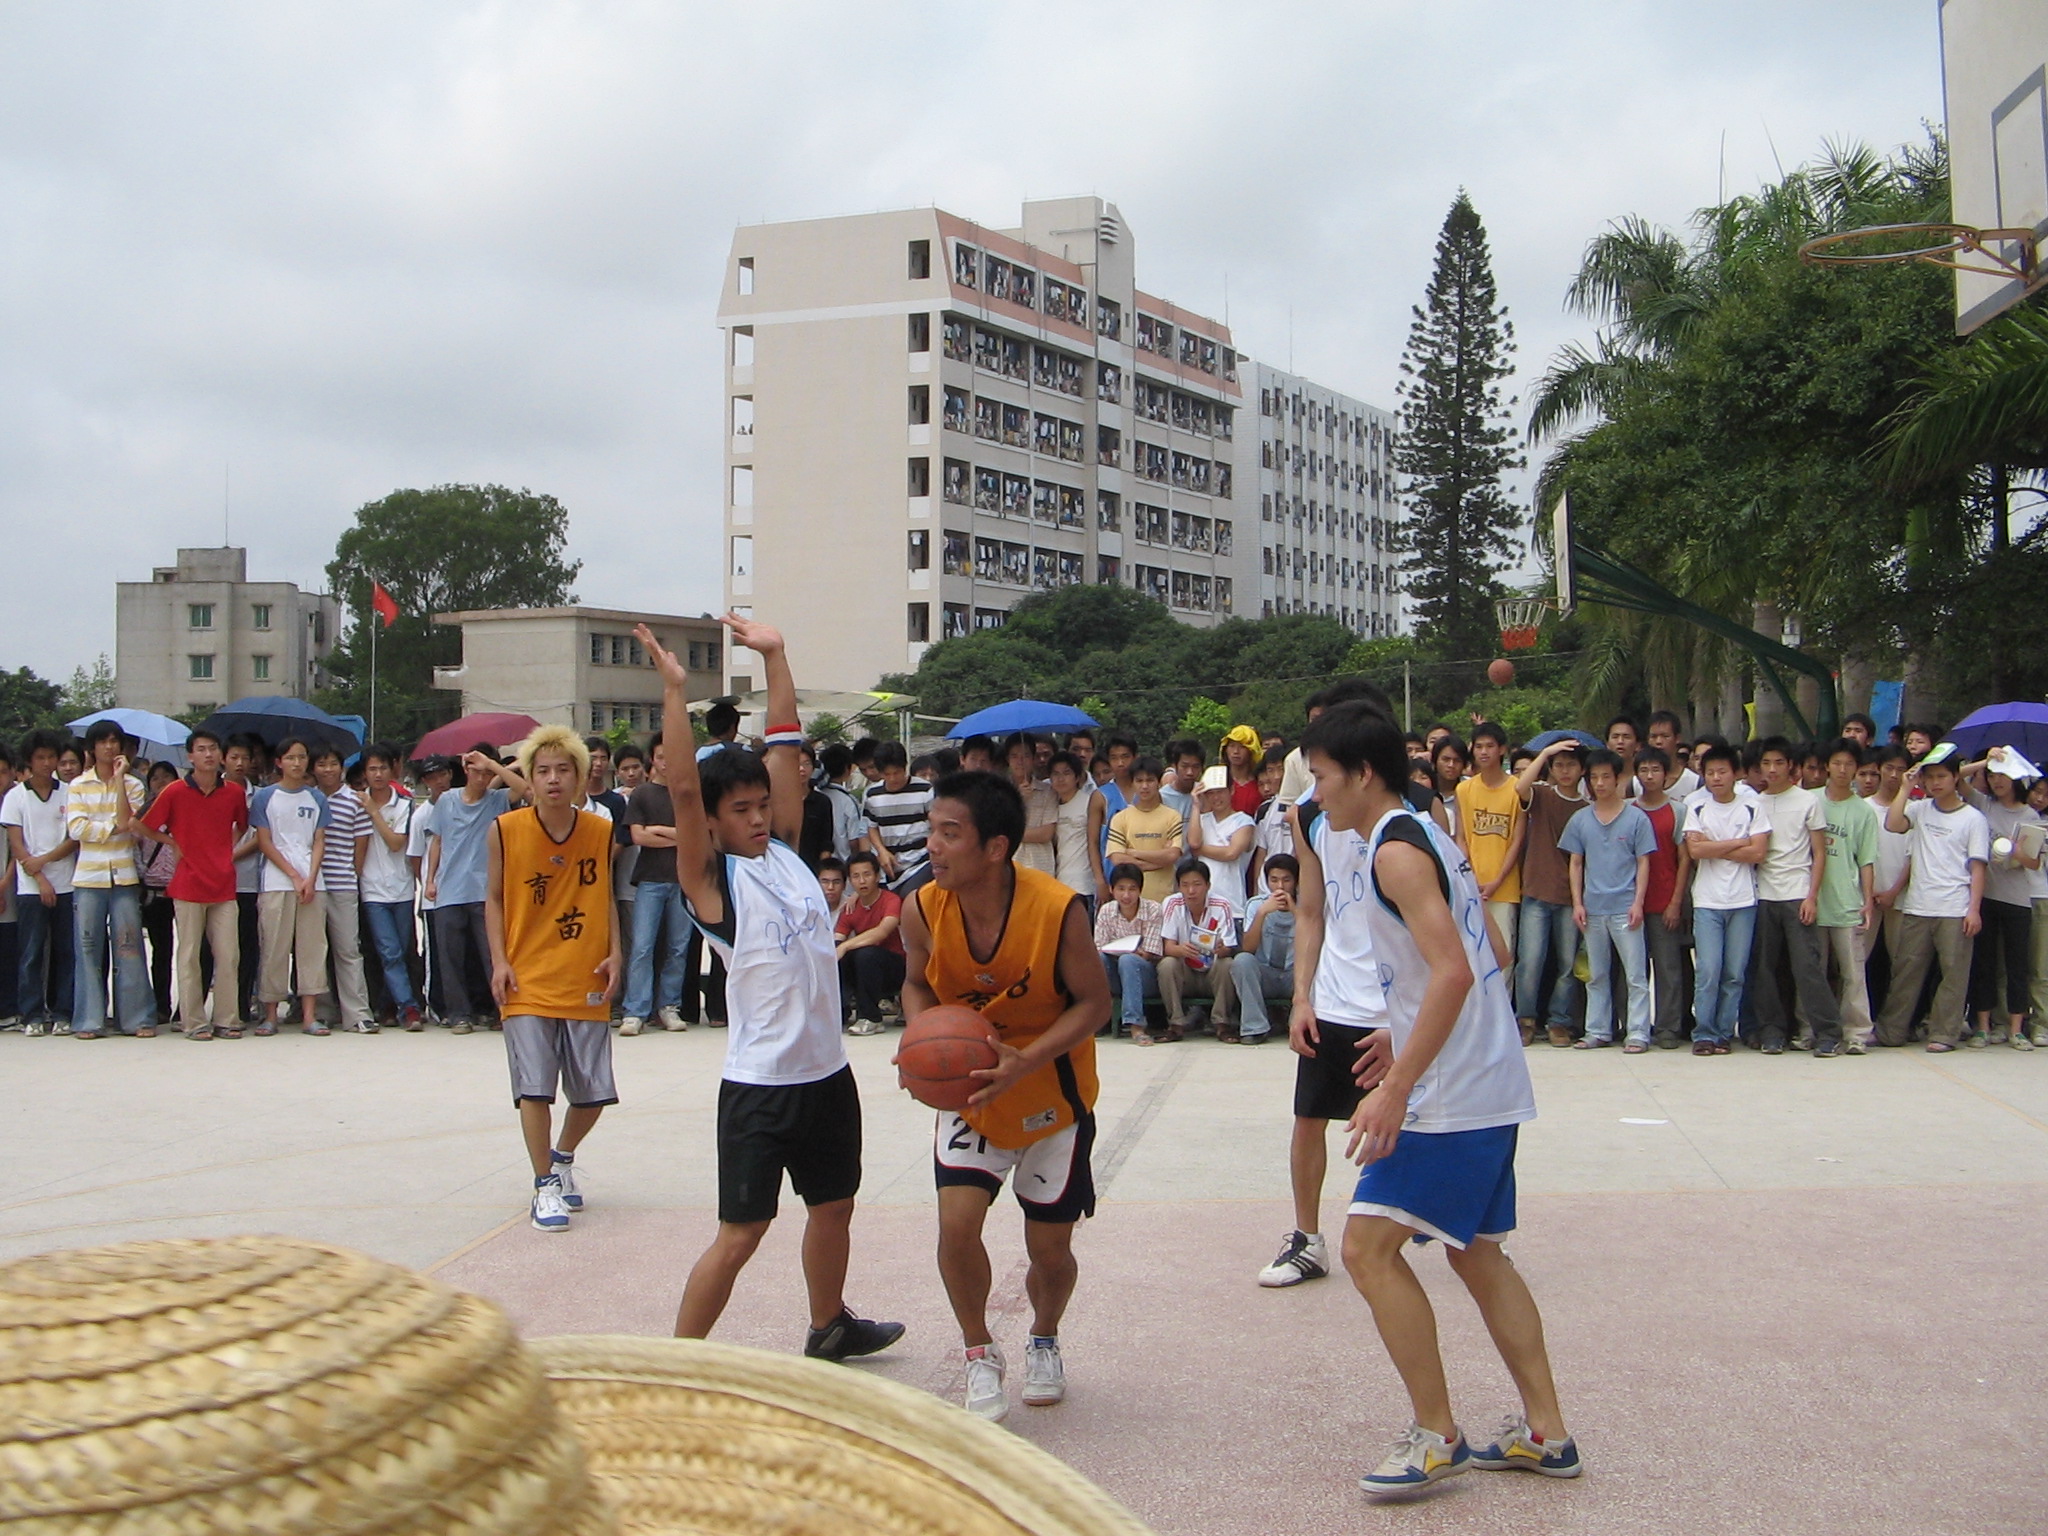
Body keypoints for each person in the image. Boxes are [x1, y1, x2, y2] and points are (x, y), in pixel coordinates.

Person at [1301, 703, 1576, 1493]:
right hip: (1487, 1077)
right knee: (1477, 1253)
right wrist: (1407, 1026)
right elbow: (1490, 952)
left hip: (1452, 1095)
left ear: (1363, 774)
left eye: (1322, 776)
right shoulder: (1430, 834)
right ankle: (1548, 1434)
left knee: (1366, 1249)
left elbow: (1455, 970)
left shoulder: (1394, 852)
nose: (1315, 793)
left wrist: (1397, 1085)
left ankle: (1437, 1434)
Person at [644, 619, 903, 1362]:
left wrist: (776, 655)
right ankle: (677, 1365)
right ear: (713, 822)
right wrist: (675, 693)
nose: (758, 817)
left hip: (827, 1074)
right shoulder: (712, 880)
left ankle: (829, 1326)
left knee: (835, 1205)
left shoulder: (786, 852)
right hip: (761, 1085)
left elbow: (784, 742)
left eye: (762, 804)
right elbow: (684, 789)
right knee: (742, 1233)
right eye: (742, 810)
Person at [897, 769, 1112, 1422]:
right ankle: (978, 1350)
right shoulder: (921, 908)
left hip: (1052, 1093)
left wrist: (1027, 1060)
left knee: (1050, 1251)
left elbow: (1095, 1003)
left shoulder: (1056, 909)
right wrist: (921, 1039)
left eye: (949, 833)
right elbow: (916, 983)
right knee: (956, 1226)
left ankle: (1044, 1336)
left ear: (995, 847)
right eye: (931, 830)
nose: (932, 845)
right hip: (973, 1093)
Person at [484, 726, 622, 1233]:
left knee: (592, 1092)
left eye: (564, 769)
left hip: (583, 970)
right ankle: (543, 1184)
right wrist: (500, 961)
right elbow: (493, 898)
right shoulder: (505, 830)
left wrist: (616, 951)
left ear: (581, 776)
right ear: (529, 778)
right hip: (526, 977)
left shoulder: (601, 830)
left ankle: (562, 1157)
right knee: (535, 1088)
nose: (553, 779)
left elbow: (606, 895)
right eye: (542, 771)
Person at [1875, 745, 1988, 1050]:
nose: (1935, 783)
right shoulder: (1920, 809)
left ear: (1955, 778)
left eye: (1942, 776)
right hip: (1918, 905)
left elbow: (1978, 868)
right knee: (1905, 972)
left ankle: (1943, 1033)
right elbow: (1893, 823)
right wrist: (1905, 787)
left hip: (1955, 907)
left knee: (1953, 975)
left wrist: (1974, 909)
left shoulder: (1973, 818)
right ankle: (1891, 1031)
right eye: (1930, 777)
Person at [138, 728, 248, 1041]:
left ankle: (227, 1018)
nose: (208, 754)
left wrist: (226, 851)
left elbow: (242, 826)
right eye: (201, 749)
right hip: (188, 883)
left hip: (223, 883)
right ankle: (194, 1021)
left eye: (213, 748)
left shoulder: (233, 792)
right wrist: (171, 842)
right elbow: (141, 824)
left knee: (228, 954)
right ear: (190, 756)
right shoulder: (174, 791)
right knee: (188, 956)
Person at [1747, 737, 1842, 1055]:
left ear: (1791, 766)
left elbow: (1819, 853)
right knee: (1766, 969)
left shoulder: (1807, 801)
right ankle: (1773, 1031)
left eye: (1778, 763)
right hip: (1763, 895)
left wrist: (1811, 897)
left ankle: (1828, 1032)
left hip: (1797, 893)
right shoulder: (1755, 803)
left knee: (1807, 967)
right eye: (1766, 763)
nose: (1772, 770)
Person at [1558, 751, 1658, 1052]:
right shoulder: (1580, 819)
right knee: (1596, 975)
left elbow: (1643, 862)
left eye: (1606, 777)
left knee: (1636, 975)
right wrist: (1578, 903)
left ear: (1617, 779)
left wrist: (1638, 902)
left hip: (1625, 906)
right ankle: (1597, 1030)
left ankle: (1638, 1032)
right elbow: (1576, 863)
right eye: (1594, 777)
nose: (1600, 783)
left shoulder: (1636, 818)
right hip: (1593, 908)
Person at [425, 745, 528, 1035]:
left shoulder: (497, 800)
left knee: (492, 954)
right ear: (466, 771)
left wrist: (495, 766)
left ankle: (502, 1010)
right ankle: (459, 1014)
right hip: (450, 889)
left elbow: (524, 789)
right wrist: (430, 879)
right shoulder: (447, 800)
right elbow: (437, 841)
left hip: (485, 891)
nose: (481, 778)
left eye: (486, 774)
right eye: (476, 772)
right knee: (451, 958)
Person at [66, 718, 154, 1039]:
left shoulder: (132, 785)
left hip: (123, 876)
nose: (109, 746)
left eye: (114, 741)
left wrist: (118, 780)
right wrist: (112, 829)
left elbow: (130, 822)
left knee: (129, 946)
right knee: (88, 948)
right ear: (92, 747)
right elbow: (77, 828)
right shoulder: (79, 785)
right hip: (89, 878)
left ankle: (136, 1018)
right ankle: (89, 1020)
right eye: (102, 741)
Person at [1683, 744, 1769, 1055]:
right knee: (1708, 971)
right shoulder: (1697, 808)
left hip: (1743, 900)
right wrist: (1739, 843)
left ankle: (1722, 1033)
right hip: (1708, 901)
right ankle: (1703, 1033)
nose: (1716, 778)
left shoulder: (1752, 806)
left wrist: (1715, 845)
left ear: (1736, 774)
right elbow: (1695, 851)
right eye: (1710, 772)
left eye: (1722, 771)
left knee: (1734, 973)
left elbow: (1758, 852)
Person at [250, 738, 331, 1037]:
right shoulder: (265, 797)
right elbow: (264, 841)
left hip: (313, 883)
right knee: (275, 947)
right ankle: (270, 1014)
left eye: (302, 757)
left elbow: (319, 840)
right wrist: (293, 875)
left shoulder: (316, 798)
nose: (297, 763)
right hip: (276, 881)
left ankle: (310, 1015)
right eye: (291, 758)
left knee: (312, 948)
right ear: (279, 762)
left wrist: (310, 877)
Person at [1962, 746, 2041, 1048]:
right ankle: (1983, 1026)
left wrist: (2017, 852)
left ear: (2016, 778)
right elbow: (1956, 777)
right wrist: (1985, 760)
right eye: (1992, 775)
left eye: (2003, 775)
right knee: (1984, 963)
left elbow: (2034, 862)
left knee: (2016, 965)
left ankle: (2016, 1028)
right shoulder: (1983, 804)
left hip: (2017, 899)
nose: (1997, 781)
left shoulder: (2029, 814)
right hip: (1986, 897)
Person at [1512, 739, 1588, 1047]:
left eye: (1571, 765)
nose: (1565, 771)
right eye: (1559, 765)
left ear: (1582, 769)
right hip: (1536, 891)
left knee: (1566, 964)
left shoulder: (1586, 808)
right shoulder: (1542, 795)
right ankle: (1526, 1020)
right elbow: (1519, 788)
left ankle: (1559, 1021)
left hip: (1570, 897)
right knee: (1530, 961)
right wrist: (1544, 753)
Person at [3, 729, 76, 1036]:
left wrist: (44, 861)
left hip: (66, 884)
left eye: (51, 757)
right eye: (40, 757)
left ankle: (63, 1012)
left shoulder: (69, 793)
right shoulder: (16, 797)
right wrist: (40, 878)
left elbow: (74, 838)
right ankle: (31, 1014)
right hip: (30, 888)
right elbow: (17, 845)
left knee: (65, 952)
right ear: (29, 761)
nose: (47, 763)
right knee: (31, 953)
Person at [622, 733, 693, 1036]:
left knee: (678, 947)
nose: (667, 763)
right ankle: (635, 1010)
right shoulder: (642, 794)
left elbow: (695, 835)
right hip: (650, 879)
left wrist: (660, 830)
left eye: (672, 756)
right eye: (661, 757)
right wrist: (676, 836)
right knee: (642, 946)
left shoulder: (688, 793)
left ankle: (669, 1006)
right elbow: (638, 836)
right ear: (652, 759)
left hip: (683, 880)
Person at [1815, 738, 1880, 1053]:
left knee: (1853, 973)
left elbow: (1866, 860)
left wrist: (1867, 901)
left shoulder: (1863, 811)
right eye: (1837, 763)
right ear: (1827, 766)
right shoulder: (1810, 801)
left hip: (1846, 902)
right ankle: (1810, 1028)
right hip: (1813, 902)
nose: (1842, 770)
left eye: (1849, 764)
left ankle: (1857, 1033)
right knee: (1813, 972)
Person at [310, 747, 376, 1035]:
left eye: (333, 763)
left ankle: (357, 1013)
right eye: (321, 764)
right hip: (312, 885)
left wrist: (352, 875)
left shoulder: (354, 800)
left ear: (342, 767)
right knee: (315, 952)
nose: (328, 769)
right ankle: (321, 1012)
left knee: (348, 950)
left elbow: (361, 845)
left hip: (343, 884)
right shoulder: (308, 799)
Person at [357, 744, 423, 1029]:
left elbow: (397, 843)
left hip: (402, 887)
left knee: (402, 951)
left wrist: (374, 812)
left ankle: (389, 1005)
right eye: (372, 769)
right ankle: (409, 1008)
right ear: (364, 772)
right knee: (389, 951)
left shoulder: (404, 804)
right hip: (372, 889)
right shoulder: (357, 802)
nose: (378, 774)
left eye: (382, 768)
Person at [1630, 747, 1691, 1050]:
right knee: (1633, 970)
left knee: (1668, 968)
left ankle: (1668, 1027)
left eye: (1655, 770)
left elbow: (1684, 859)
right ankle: (1634, 1026)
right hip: (1631, 903)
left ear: (1666, 775)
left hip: (1665, 899)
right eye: (1643, 770)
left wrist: (1676, 902)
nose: (1649, 776)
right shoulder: (1628, 810)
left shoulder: (1678, 811)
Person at [1453, 722, 1524, 967]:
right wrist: (1468, 874)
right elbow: (1461, 837)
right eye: (1479, 746)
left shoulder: (1516, 789)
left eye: (1490, 746)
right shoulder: (1464, 789)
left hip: (1504, 888)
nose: (1484, 752)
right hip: (1471, 885)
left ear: (1502, 749)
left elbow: (1516, 840)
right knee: (1472, 953)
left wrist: (1498, 879)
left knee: (1503, 955)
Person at [1154, 856, 1239, 1042]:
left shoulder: (1222, 905)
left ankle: (1222, 1024)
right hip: (1185, 971)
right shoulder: (1172, 903)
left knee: (1227, 964)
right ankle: (1176, 1024)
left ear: (1208, 885)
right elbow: (1167, 947)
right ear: (1178, 887)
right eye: (1185, 885)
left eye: (1197, 884)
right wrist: (1181, 950)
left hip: (1212, 972)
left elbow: (1229, 947)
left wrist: (1221, 949)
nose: (1191, 891)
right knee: (1167, 964)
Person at [1217, 852, 1298, 1046]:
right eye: (1274, 880)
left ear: (1296, 881)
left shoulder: (1307, 905)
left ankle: (1297, 1025)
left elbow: (1315, 941)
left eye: (1286, 880)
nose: (1280, 887)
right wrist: (1262, 913)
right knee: (1242, 961)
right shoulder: (1256, 904)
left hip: (1295, 975)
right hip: (1266, 974)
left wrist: (1295, 911)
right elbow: (1248, 948)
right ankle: (1255, 1028)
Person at [834, 850, 904, 1035]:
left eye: (867, 874)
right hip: (865, 969)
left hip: (896, 969)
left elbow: (882, 932)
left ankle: (871, 1018)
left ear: (877, 876)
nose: (862, 881)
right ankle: (840, 1011)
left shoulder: (891, 900)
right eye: (856, 876)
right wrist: (838, 948)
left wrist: (846, 945)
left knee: (865, 953)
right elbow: (838, 939)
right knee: (836, 955)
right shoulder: (850, 907)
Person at [1094, 862, 1163, 1036]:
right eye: (1121, 889)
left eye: (1132, 889)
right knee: (1099, 960)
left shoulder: (1153, 909)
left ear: (1140, 890)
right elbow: (1099, 947)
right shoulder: (1106, 911)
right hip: (1115, 975)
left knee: (1128, 960)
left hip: (1145, 976)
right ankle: (1098, 1019)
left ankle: (1135, 1024)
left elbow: (1150, 952)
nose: (1126, 895)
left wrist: (1128, 953)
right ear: (1111, 889)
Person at [1105, 756, 1184, 903]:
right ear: (1132, 783)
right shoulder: (1120, 818)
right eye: (1139, 781)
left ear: (1159, 783)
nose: (1145, 786)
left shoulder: (1173, 816)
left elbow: (1172, 855)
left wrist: (1134, 853)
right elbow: (1118, 859)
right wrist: (1158, 862)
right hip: (1131, 902)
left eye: (1150, 780)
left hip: (1164, 900)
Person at [137, 761, 179, 1025]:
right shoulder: (143, 813)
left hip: (183, 887)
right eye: (155, 778)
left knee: (189, 951)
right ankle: (161, 1005)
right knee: (161, 951)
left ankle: (186, 1008)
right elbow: (135, 846)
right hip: (154, 891)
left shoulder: (186, 809)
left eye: (167, 776)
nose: (161, 782)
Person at [864, 741, 935, 892]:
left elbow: (935, 823)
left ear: (905, 767)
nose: (892, 779)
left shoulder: (925, 790)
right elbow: (872, 826)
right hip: (890, 864)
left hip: (920, 860)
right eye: (887, 774)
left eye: (897, 773)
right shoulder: (872, 794)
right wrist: (881, 850)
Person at [1189, 765, 1256, 916]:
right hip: (1203, 903)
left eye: (1220, 792)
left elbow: (1231, 853)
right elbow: (1193, 842)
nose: (1216, 797)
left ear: (1231, 790)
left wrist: (1200, 849)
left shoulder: (1244, 821)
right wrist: (1196, 806)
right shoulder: (1201, 820)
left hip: (1232, 904)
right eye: (1210, 793)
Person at [1046, 751, 1100, 911]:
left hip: (1085, 884)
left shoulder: (1089, 802)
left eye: (1066, 773)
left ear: (1077, 777)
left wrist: (1099, 880)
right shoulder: (1050, 806)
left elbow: (1095, 842)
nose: (1060, 778)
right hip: (1058, 882)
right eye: (1055, 774)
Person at [1003, 732, 1059, 877]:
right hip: (1010, 864)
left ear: (1033, 758)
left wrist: (1011, 835)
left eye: (1025, 756)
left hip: (1040, 866)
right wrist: (1018, 800)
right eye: (1014, 756)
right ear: (1007, 759)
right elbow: (996, 829)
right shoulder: (999, 791)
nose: (1020, 761)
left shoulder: (1048, 791)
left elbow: (1046, 834)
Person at [817, 745, 871, 863]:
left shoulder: (816, 796)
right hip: (843, 863)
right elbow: (854, 839)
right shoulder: (848, 800)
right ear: (848, 768)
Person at [1644, 712, 1700, 797]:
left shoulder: (1694, 782)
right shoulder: (1636, 783)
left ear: (1677, 738)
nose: (1658, 741)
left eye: (1665, 736)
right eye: (1653, 737)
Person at [1220, 725, 1264, 816]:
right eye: (1232, 746)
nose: (1236, 751)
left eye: (1242, 747)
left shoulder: (1261, 784)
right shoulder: (1218, 780)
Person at [1158, 738, 1205, 824]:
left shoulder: (1204, 794)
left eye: (1195, 767)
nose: (1190, 772)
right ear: (1175, 766)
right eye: (1184, 766)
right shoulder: (1162, 797)